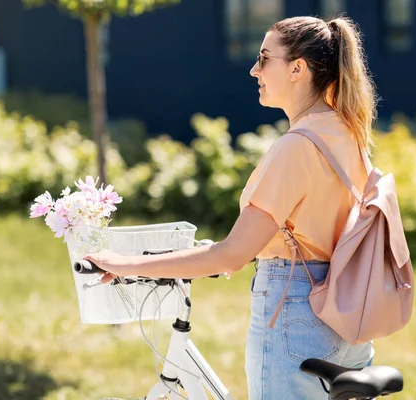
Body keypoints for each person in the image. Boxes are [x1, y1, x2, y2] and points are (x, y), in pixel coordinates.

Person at [84, 14, 379, 400]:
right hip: (347, 318)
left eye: (264, 58)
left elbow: (232, 256)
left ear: (297, 69)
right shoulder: (348, 134)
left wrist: (124, 265)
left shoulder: (297, 146)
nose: (254, 69)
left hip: (296, 318)